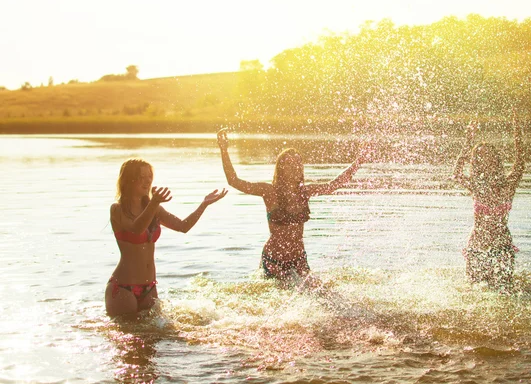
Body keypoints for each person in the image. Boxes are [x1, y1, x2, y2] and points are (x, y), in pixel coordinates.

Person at [217, 128, 370, 287]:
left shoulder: (305, 192)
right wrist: (224, 150)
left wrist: (358, 161)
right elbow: (233, 181)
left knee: (323, 293)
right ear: (281, 168)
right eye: (290, 164)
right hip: (274, 260)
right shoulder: (269, 192)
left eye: (298, 163)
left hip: (299, 259)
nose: (296, 167)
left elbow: (334, 185)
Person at [105, 158, 227, 317]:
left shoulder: (154, 208)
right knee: (128, 338)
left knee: (155, 339)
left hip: (149, 288)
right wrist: (154, 202)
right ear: (129, 180)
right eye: (142, 177)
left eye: (149, 176)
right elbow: (136, 229)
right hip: (123, 288)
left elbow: (183, 226)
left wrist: (203, 205)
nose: (147, 181)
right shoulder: (117, 209)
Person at [452, 113, 525, 291]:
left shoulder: (508, 185)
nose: (485, 160)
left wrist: (517, 132)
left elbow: (520, 162)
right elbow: (457, 174)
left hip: (502, 246)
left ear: (496, 160)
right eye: (480, 157)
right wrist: (468, 140)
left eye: (489, 156)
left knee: (506, 291)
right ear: (476, 163)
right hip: (477, 246)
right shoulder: (476, 186)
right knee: (474, 290)